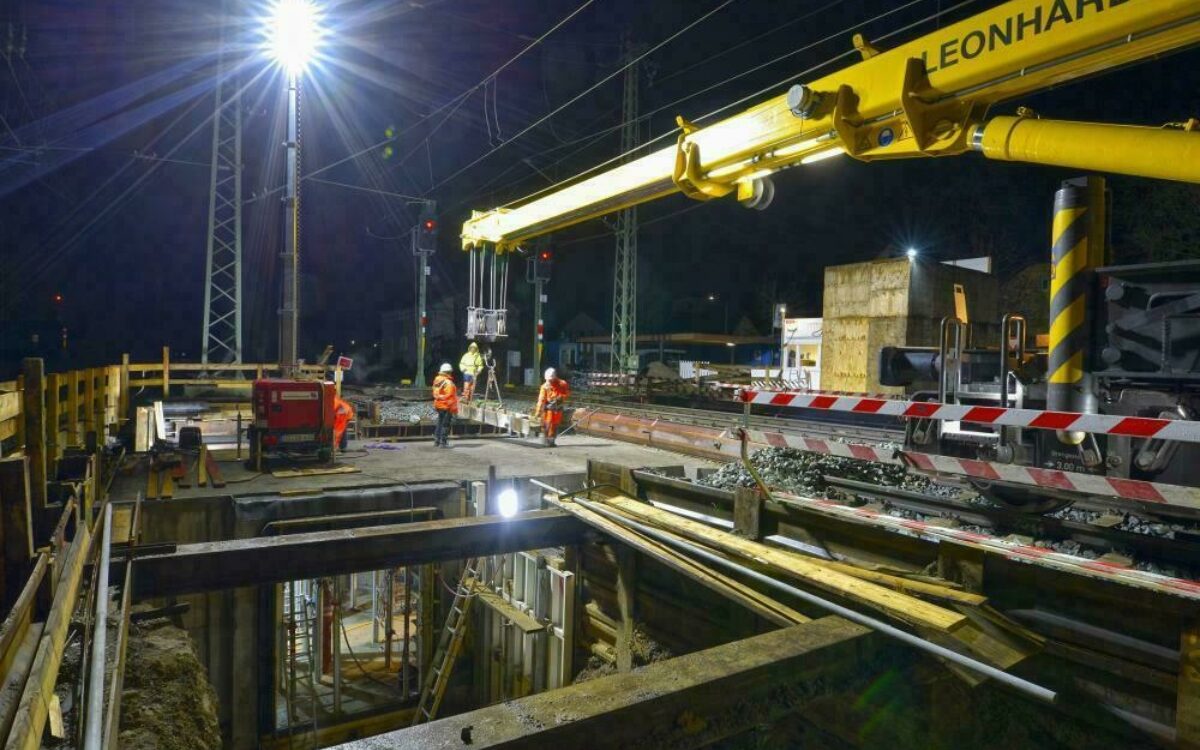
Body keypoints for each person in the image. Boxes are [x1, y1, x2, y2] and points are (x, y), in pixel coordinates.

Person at [533, 367, 570, 446]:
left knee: (554, 426)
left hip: (557, 410)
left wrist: (561, 397)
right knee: (546, 425)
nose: (548, 382)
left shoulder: (562, 384)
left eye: (550, 380)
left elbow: (566, 394)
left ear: (555, 377)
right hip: (548, 410)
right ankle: (547, 441)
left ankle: (551, 441)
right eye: (547, 380)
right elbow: (541, 400)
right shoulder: (545, 387)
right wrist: (538, 412)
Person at [432, 363, 458, 448]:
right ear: (449, 372)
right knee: (445, 424)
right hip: (446, 406)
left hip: (439, 405)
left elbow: (436, 393)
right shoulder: (448, 382)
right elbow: (449, 395)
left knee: (439, 423)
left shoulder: (437, 380)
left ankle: (436, 441)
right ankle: (443, 442)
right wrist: (453, 407)